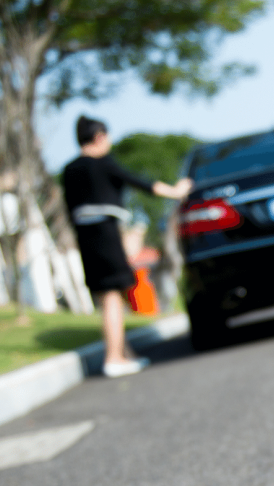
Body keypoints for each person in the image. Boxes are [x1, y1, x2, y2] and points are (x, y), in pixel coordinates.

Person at [62, 116, 192, 378]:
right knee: (112, 297)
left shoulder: (69, 170)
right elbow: (141, 183)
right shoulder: (102, 164)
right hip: (106, 235)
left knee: (109, 296)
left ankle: (125, 354)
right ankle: (113, 358)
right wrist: (176, 191)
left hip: (84, 239)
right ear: (99, 137)